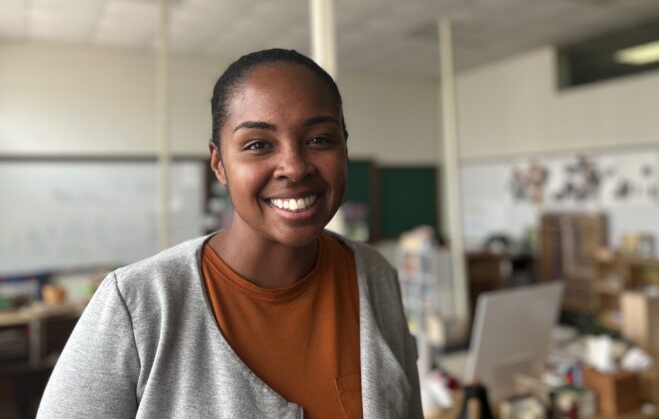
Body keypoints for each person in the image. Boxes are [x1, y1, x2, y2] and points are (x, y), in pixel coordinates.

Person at [37, 49, 423, 418]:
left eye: (319, 139)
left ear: (344, 149)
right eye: (258, 144)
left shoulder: (373, 275)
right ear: (219, 164)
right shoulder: (136, 305)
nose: (294, 166)